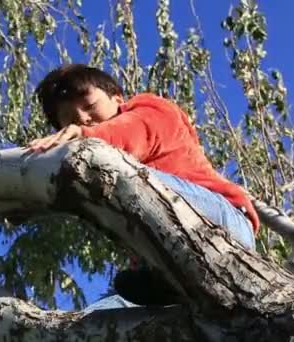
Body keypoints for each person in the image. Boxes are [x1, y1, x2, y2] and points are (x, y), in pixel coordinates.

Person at [29, 63, 259, 307]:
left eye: (90, 106)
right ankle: (168, 286)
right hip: (173, 258)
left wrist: (85, 138)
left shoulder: (151, 109)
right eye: (71, 120)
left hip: (224, 219)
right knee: (102, 313)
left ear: (118, 97)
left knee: (119, 173)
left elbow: (136, 131)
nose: (84, 119)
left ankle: (168, 281)